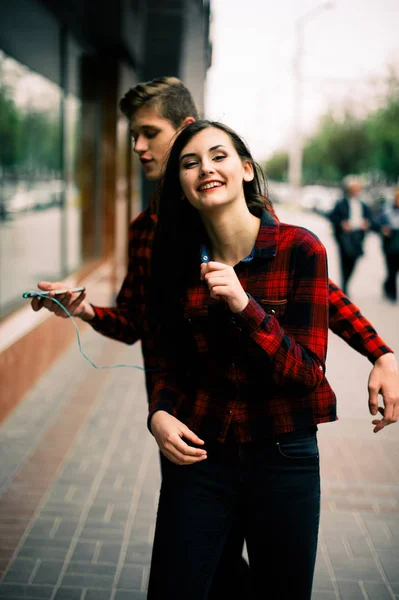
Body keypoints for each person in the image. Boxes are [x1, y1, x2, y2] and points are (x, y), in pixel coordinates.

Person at [30, 77, 399, 593]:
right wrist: (89, 313)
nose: (137, 146)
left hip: (276, 441)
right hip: (192, 432)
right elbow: (149, 331)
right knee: (199, 569)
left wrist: (379, 350)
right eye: (132, 136)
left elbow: (314, 301)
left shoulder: (269, 230)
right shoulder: (153, 238)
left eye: (147, 133)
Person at [146, 119, 334, 599]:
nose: (205, 168)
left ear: (246, 169)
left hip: (283, 457)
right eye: (190, 163)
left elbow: (308, 375)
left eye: (218, 155)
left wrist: (245, 308)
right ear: (182, 187)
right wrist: (160, 413)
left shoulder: (301, 249)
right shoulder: (176, 260)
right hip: (202, 455)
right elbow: (170, 362)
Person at [329, 175, 373, 295]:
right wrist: (342, 224)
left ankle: (346, 283)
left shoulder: (362, 204)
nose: (356, 190)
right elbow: (332, 217)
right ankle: (344, 286)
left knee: (354, 261)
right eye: (354, 188)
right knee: (344, 262)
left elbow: (370, 219)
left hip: (358, 236)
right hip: (345, 237)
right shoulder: (341, 203)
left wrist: (366, 223)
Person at [379, 187, 399, 302]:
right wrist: (383, 230)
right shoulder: (386, 211)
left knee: (395, 269)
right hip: (390, 244)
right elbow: (378, 224)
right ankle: (391, 291)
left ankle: (390, 288)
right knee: (391, 269)